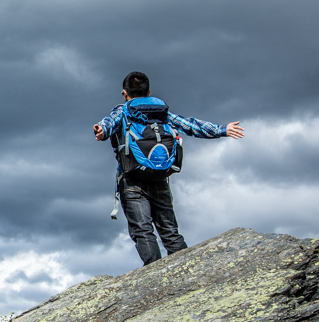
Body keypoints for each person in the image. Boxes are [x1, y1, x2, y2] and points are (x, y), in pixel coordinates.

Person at [93, 71, 244, 265]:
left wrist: (101, 129)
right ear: (148, 92)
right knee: (170, 232)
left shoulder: (123, 111)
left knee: (143, 231)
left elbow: (109, 123)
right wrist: (222, 129)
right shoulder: (161, 113)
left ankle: (153, 274)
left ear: (125, 93)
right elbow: (190, 125)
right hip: (160, 178)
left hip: (132, 181)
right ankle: (188, 269)